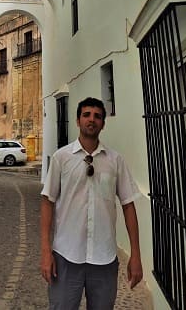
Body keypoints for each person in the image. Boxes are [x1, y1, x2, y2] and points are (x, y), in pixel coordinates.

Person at [40, 97, 143, 310]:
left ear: (103, 124)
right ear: (78, 120)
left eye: (97, 116)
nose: (92, 120)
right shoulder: (62, 158)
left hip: (104, 258)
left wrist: (136, 255)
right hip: (66, 256)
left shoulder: (115, 161)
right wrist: (45, 251)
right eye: (86, 115)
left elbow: (128, 206)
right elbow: (48, 202)